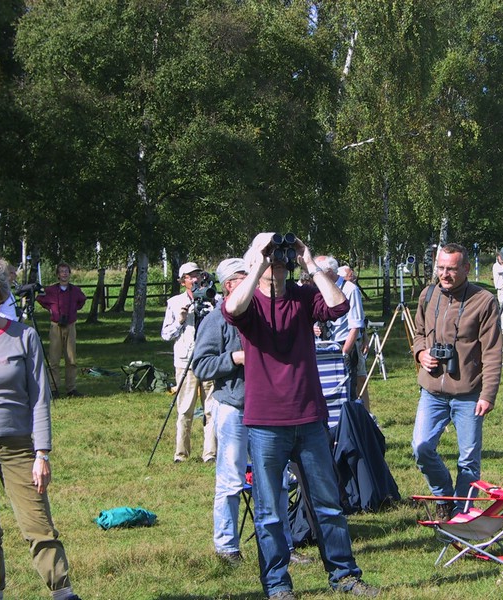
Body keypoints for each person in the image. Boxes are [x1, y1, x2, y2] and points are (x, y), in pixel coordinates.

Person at [223, 232, 378, 600]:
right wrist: (259, 263)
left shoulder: (304, 296)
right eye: (269, 254)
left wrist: (308, 261)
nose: (277, 260)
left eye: (280, 254)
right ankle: (277, 585)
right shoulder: (250, 303)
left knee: (327, 503)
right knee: (269, 512)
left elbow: (339, 306)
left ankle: (344, 575)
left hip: (309, 416)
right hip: (265, 423)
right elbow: (232, 310)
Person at [0, 257, 81, 600]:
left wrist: (41, 452)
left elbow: (40, 399)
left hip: (19, 445)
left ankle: (63, 592)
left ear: (2, 294)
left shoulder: (24, 336)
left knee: (38, 525)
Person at [193, 258, 310, 569]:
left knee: (277, 482)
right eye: (246, 276)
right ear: (230, 284)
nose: (257, 280)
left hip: (269, 412)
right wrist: (234, 358)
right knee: (231, 481)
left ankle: (282, 546)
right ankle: (227, 547)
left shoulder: (264, 311)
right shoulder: (217, 318)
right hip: (232, 408)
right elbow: (201, 365)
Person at [412, 243, 502, 521]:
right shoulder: (427, 295)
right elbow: (418, 333)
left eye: (451, 268)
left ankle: (460, 516)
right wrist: (421, 353)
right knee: (421, 447)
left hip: (469, 394)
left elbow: (492, 352)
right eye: (440, 268)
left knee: (468, 460)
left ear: (466, 268)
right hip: (432, 390)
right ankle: (443, 496)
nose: (445, 274)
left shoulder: (484, 301)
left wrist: (487, 394)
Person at [161, 261, 215, 463]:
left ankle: (210, 453)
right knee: (185, 409)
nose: (195, 279)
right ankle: (181, 454)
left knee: (211, 409)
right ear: (182, 281)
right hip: (185, 361)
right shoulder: (174, 302)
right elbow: (166, 334)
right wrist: (181, 320)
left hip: (209, 360)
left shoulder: (212, 299)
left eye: (197, 275)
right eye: (190, 276)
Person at [316, 255, 370, 409]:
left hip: (344, 345)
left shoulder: (350, 289)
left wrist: (344, 352)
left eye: (318, 271)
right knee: (327, 390)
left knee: (348, 391)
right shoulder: (320, 289)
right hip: (324, 347)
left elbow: (356, 324)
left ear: (329, 271)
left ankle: (351, 428)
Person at [36, 262, 86, 397]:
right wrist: (51, 310)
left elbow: (82, 300)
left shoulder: (75, 290)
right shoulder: (51, 290)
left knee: (71, 359)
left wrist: (73, 310)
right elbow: (40, 299)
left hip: (70, 325)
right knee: (54, 359)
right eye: (61, 271)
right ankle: (54, 389)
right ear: (57, 275)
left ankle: (71, 388)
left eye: (66, 271)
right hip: (56, 326)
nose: (64, 274)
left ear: (69, 274)